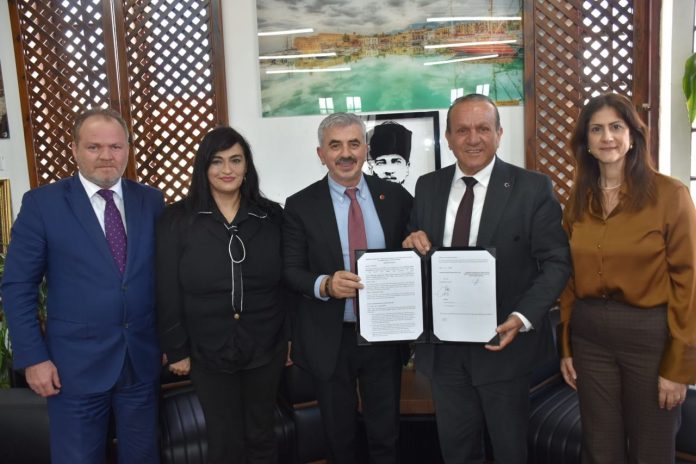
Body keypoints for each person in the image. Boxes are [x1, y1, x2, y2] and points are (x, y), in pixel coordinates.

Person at [403, 93, 571, 464]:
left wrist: (522, 318)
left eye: (482, 128)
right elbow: (416, 242)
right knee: (457, 452)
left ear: (499, 133)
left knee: (510, 451)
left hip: (504, 346)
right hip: (445, 351)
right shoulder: (427, 186)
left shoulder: (532, 188)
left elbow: (557, 262)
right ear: (448, 138)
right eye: (462, 130)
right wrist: (412, 241)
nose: (473, 138)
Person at [1, 107, 164, 463]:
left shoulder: (151, 200)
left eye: (115, 146)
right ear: (74, 150)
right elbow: (17, 285)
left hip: (140, 362)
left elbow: (165, 277)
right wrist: (34, 358)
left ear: (127, 149)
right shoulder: (43, 204)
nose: (106, 155)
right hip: (73, 370)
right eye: (94, 147)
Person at [558, 92, 696, 463]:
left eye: (616, 127)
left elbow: (689, 284)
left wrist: (679, 367)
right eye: (596, 129)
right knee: (600, 448)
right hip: (589, 338)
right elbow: (568, 278)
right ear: (586, 142)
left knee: (652, 448)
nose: (607, 137)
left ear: (633, 136)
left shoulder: (671, 195)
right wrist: (567, 345)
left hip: (650, 337)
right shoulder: (578, 201)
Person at [283, 112, 413, 464]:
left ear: (366, 150)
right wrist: (325, 284)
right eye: (335, 145)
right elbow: (290, 271)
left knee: (386, 435)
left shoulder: (397, 197)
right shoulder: (300, 205)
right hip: (331, 337)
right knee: (338, 438)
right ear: (321, 153)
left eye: (354, 144)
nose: (345, 154)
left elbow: (412, 252)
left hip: (384, 335)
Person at [157, 126, 288, 464]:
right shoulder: (177, 219)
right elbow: (167, 289)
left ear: (247, 167)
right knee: (223, 438)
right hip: (206, 349)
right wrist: (176, 350)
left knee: (262, 434)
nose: (227, 169)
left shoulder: (272, 216)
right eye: (217, 161)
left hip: (265, 345)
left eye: (235, 160)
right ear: (203, 168)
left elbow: (285, 285)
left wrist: (289, 339)